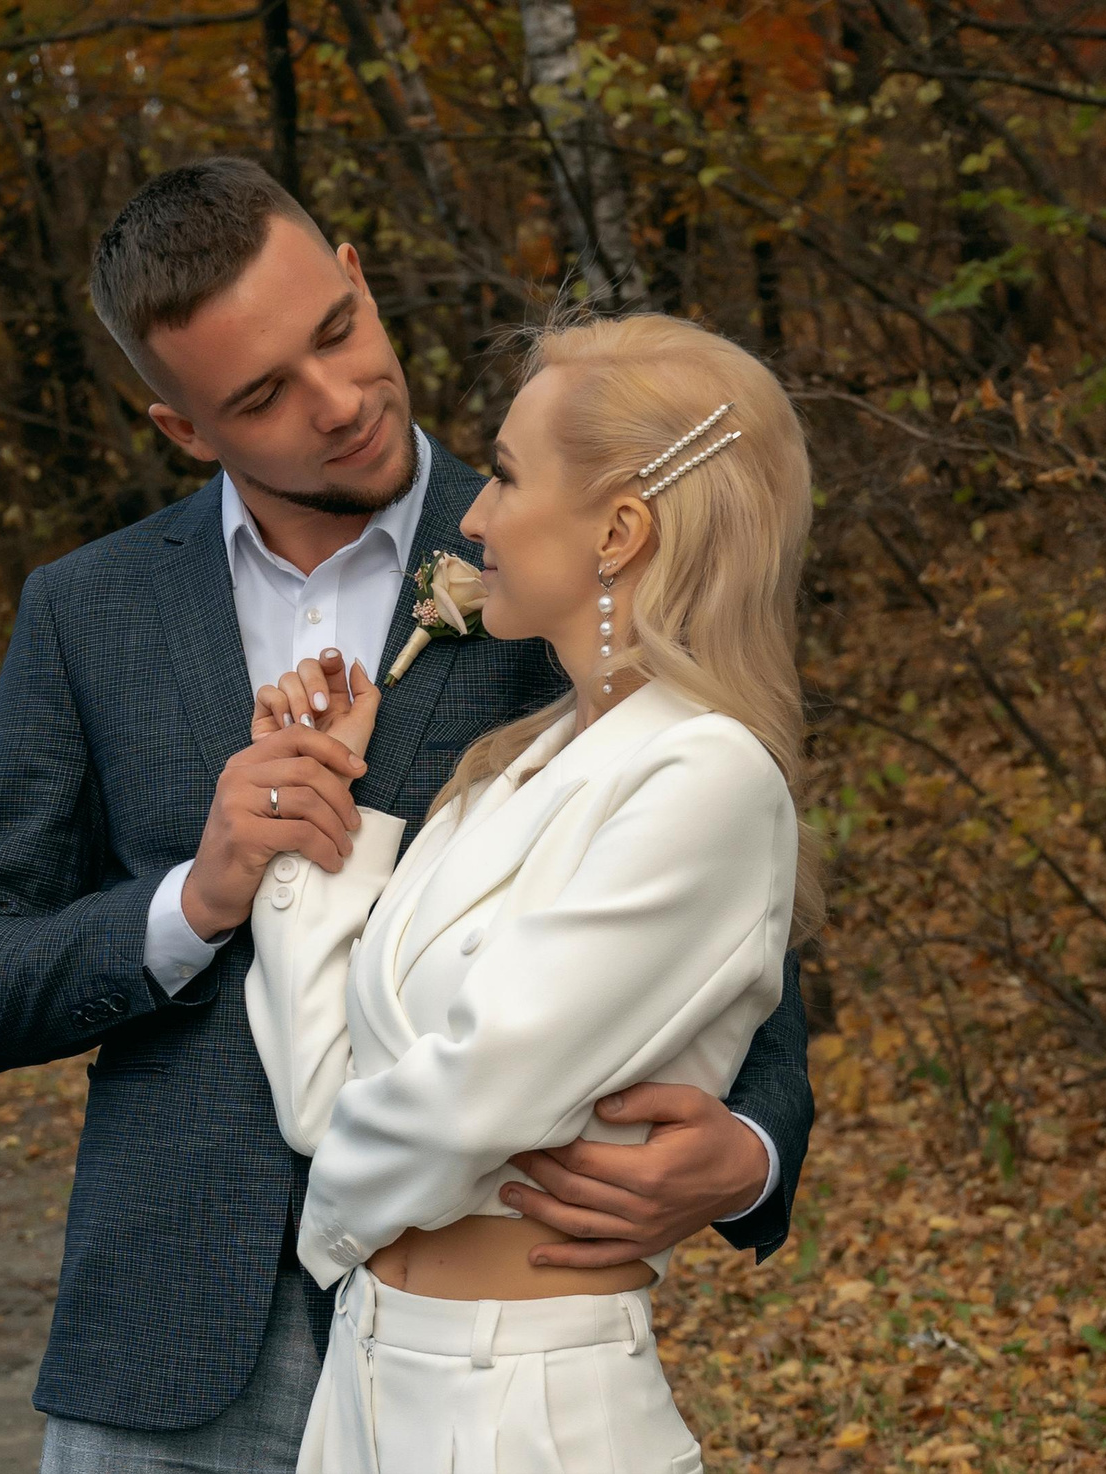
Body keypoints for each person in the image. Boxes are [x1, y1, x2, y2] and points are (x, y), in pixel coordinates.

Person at [0, 158, 815, 1470]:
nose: (338, 403)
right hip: (167, 1357)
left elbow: (742, 934)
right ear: (185, 429)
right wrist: (196, 899)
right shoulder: (89, 611)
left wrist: (748, 1150)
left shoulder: (560, 543)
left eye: (338, 333)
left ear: (358, 276)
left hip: (491, 1357)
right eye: (264, 395)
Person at [243, 312, 819, 1470]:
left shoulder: (706, 777)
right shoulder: (508, 768)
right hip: (361, 1391)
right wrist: (326, 821)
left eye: (504, 474)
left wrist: (330, 1221)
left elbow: (474, 1100)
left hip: (529, 1411)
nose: (470, 515)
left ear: (619, 529)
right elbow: (320, 1098)